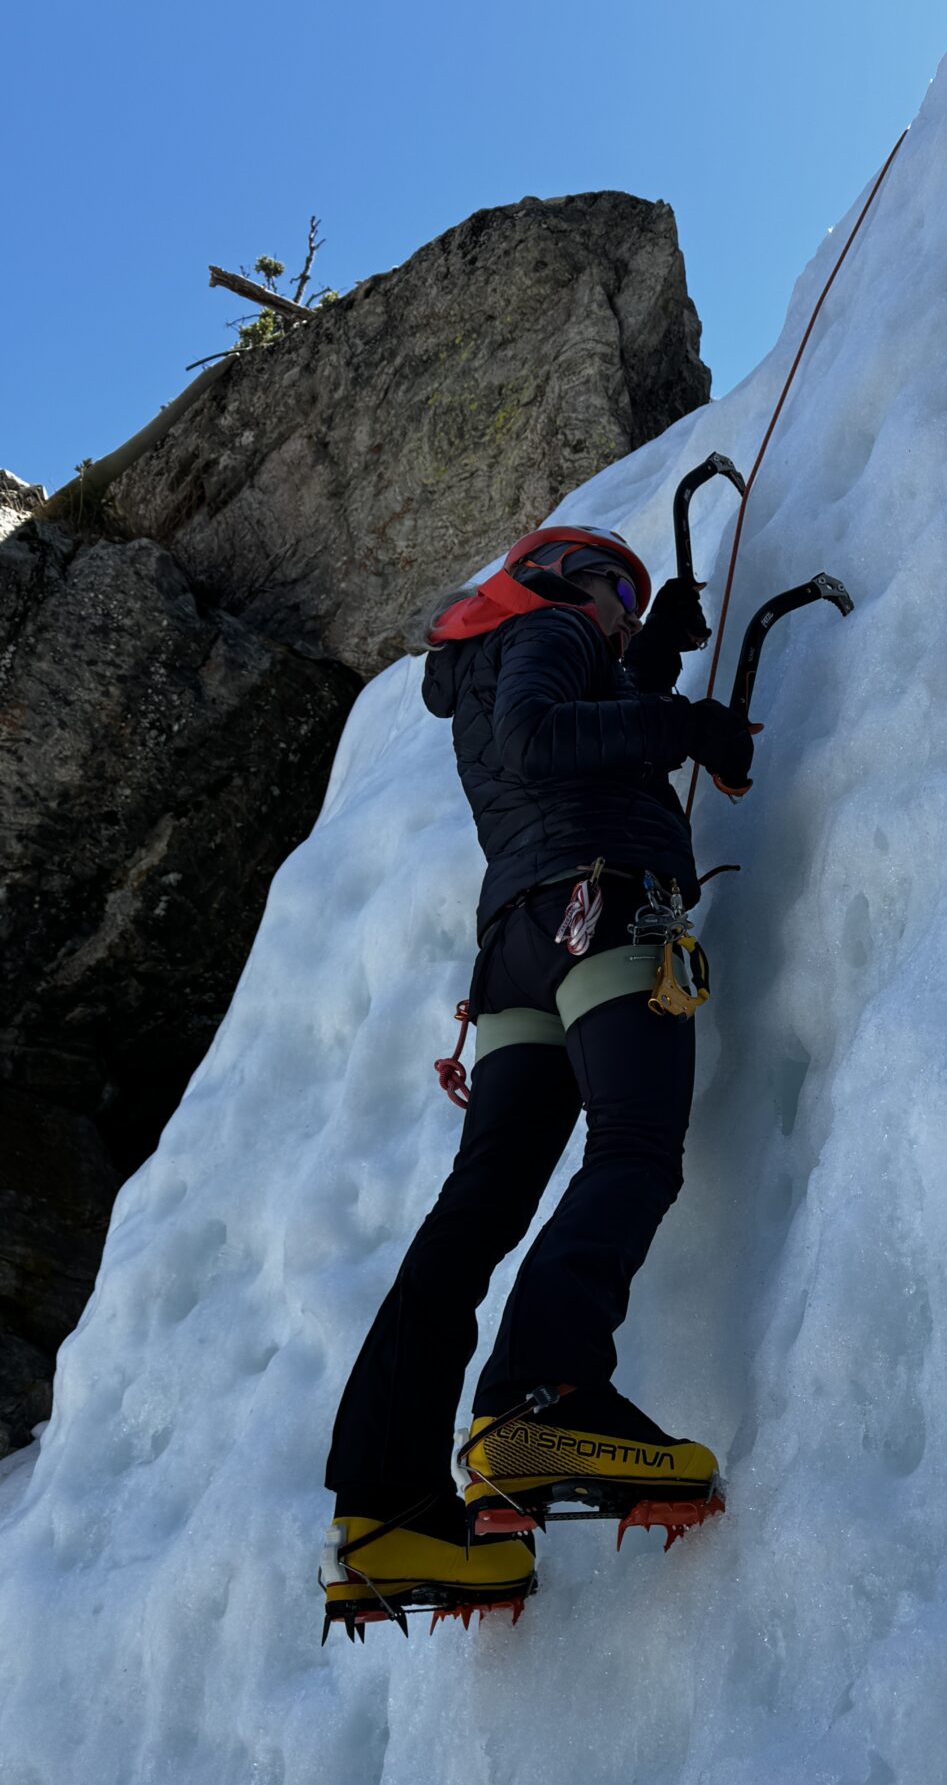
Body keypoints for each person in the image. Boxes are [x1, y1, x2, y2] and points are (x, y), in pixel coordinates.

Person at [319, 524, 756, 1639]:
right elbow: (550, 735)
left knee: (477, 1211)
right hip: (599, 903)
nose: (617, 603)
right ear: (553, 578)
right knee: (635, 1145)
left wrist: (651, 658)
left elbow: (564, 730)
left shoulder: (510, 652)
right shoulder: (551, 630)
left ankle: (388, 1509)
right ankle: (540, 1395)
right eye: (613, 583)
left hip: (518, 944)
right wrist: (684, 719)